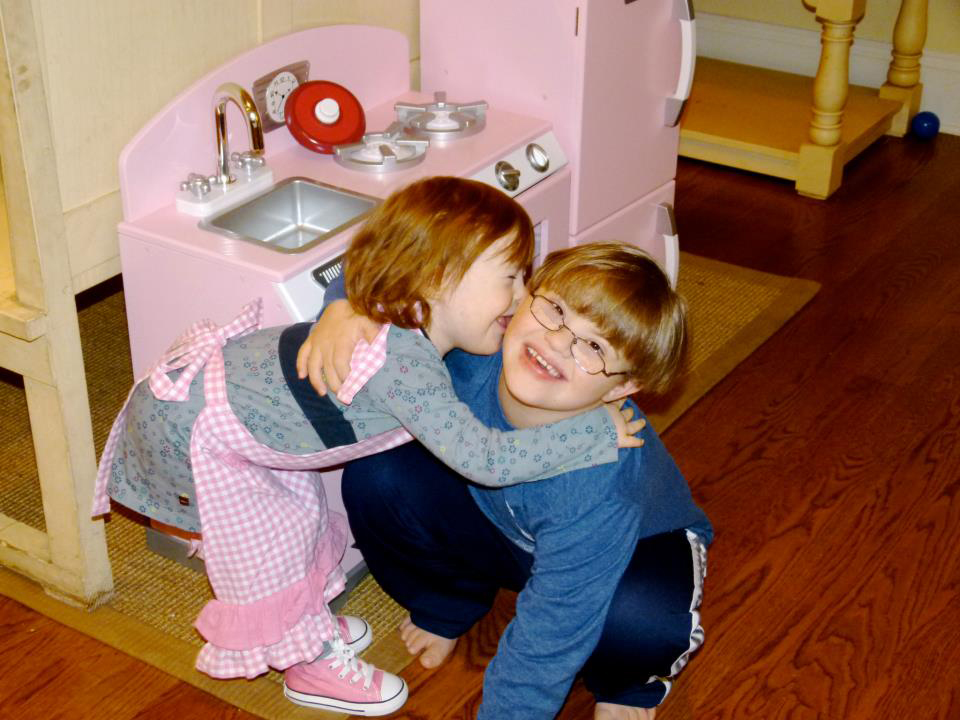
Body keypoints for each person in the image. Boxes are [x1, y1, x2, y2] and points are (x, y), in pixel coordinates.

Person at [91, 178, 643, 717]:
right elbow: (486, 459)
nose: (522, 296)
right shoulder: (405, 365)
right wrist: (591, 432)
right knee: (267, 555)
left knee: (299, 518)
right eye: (510, 277)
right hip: (201, 435)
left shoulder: (399, 318)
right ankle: (308, 666)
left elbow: (369, 260)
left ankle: (306, 622)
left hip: (231, 416)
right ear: (439, 277)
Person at [304, 242, 713, 719]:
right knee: (378, 476)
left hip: (633, 549)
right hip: (506, 520)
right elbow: (392, 258)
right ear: (522, 296)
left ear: (622, 388)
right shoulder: (468, 346)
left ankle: (628, 687)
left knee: (641, 623)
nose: (558, 342)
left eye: (595, 348)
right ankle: (450, 603)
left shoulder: (599, 484)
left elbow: (553, 629)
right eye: (555, 310)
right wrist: (342, 306)